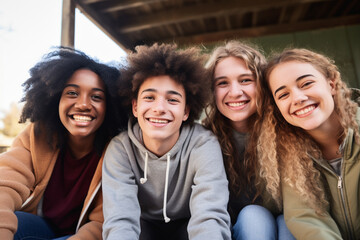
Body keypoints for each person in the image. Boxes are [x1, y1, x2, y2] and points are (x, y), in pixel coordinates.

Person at [102, 43, 231, 240]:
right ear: (135, 107)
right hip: (142, 227)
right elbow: (120, 220)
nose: (159, 108)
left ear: (186, 111)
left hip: (188, 227)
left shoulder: (203, 144)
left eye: (172, 100)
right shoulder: (120, 149)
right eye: (149, 97)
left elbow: (209, 215)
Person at [0, 47, 127, 240]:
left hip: (84, 236)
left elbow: (102, 223)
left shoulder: (118, 150)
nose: (83, 104)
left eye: (96, 97)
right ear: (55, 99)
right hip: (40, 227)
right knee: (14, 220)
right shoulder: (38, 135)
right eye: (72, 93)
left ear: (109, 106)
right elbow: (6, 186)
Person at [258, 48, 360, 239]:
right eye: (283, 95)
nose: (297, 98)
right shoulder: (291, 156)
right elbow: (307, 219)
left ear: (331, 84)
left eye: (306, 84)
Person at [203, 40, 295, 240]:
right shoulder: (203, 140)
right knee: (253, 217)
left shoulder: (290, 128)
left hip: (292, 221)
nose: (235, 92)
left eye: (245, 80)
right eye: (222, 83)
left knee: (289, 225)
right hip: (242, 228)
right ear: (211, 90)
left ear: (262, 84)